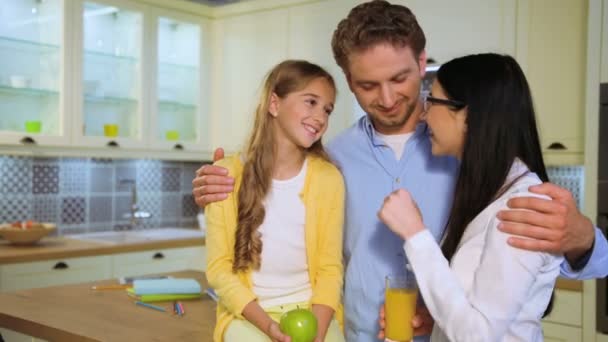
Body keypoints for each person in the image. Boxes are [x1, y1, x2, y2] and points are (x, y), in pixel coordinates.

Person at [194, 1, 608, 341]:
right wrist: (226, 182)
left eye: (400, 77)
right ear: (348, 81)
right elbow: (289, 236)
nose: (388, 98)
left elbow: (588, 262)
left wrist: (582, 239)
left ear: (422, 62)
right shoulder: (330, 161)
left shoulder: (474, 156)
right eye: (368, 85)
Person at [378, 53, 562, 341]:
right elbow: (473, 308)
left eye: (433, 101)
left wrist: (415, 234)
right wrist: (437, 320)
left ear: (468, 115)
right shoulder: (487, 192)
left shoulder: (524, 205)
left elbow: (479, 335)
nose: (424, 115)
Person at [205, 60, 345, 342]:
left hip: (312, 312)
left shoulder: (328, 179)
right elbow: (219, 270)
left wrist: (317, 332)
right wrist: (268, 326)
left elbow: (331, 269)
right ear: (274, 104)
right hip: (249, 316)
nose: (320, 117)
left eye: (327, 109)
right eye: (311, 102)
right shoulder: (226, 174)